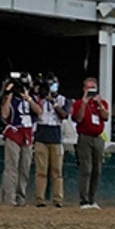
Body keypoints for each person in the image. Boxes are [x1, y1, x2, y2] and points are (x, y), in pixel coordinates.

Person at [71, 76, 110, 208]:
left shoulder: (102, 103)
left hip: (98, 138)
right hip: (84, 137)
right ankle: (84, 199)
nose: (91, 91)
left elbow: (105, 117)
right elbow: (78, 118)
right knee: (86, 169)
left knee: (97, 170)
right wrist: (84, 103)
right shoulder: (78, 104)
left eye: (93, 89)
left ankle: (92, 199)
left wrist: (99, 104)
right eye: (88, 89)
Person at [31, 76, 69, 207]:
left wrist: (53, 102)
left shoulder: (63, 99)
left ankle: (58, 199)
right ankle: (39, 198)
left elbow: (64, 115)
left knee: (56, 171)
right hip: (41, 135)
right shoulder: (39, 99)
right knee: (41, 170)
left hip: (55, 136)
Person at [0, 75, 35, 206]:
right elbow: (4, 114)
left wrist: (28, 98)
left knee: (25, 167)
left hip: (27, 134)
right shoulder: (10, 97)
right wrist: (8, 93)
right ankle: (9, 197)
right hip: (14, 132)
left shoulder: (32, 96)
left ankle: (21, 196)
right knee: (11, 167)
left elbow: (39, 111)